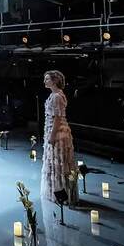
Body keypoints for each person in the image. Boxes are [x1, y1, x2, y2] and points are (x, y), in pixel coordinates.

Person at [41, 70, 78, 204]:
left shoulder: (57, 96)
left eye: (47, 79)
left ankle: (61, 193)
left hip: (58, 133)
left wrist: (52, 136)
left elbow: (57, 118)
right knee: (54, 163)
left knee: (59, 163)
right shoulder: (54, 95)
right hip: (53, 130)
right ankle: (56, 193)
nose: (44, 81)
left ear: (54, 81)